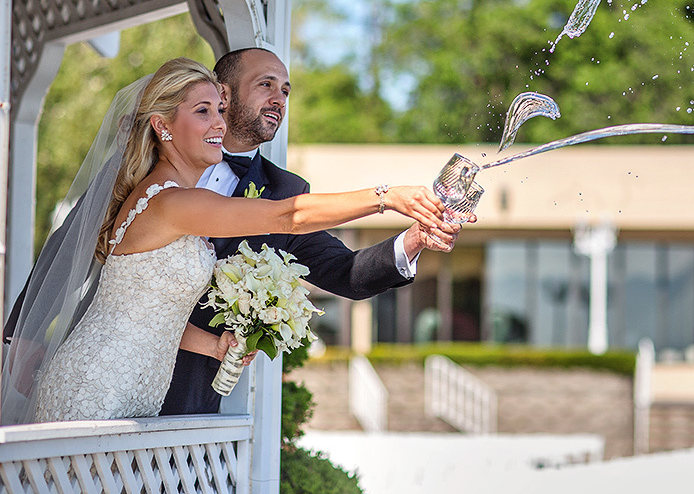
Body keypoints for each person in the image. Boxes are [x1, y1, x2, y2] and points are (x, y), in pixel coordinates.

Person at [7, 57, 447, 423]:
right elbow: (285, 217)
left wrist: (214, 344)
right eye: (205, 111)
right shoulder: (169, 200)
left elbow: (151, 307)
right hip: (99, 384)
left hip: (152, 394)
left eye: (287, 90)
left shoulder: (263, 186)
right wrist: (386, 197)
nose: (217, 122)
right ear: (163, 126)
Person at [159, 48, 466, 415]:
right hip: (118, 364)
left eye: (286, 91)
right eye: (266, 85)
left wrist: (414, 239)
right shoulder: (149, 161)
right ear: (222, 93)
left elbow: (347, 274)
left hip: (191, 400)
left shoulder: (284, 189)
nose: (279, 99)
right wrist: (386, 197)